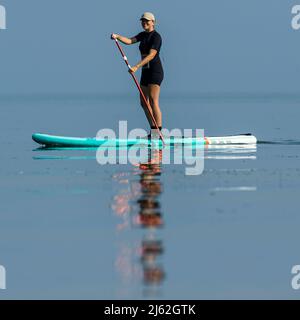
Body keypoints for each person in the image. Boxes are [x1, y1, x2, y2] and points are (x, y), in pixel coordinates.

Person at [111, 12, 164, 137]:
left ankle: (158, 131)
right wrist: (117, 36)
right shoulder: (142, 35)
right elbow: (129, 41)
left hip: (155, 71)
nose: (144, 23)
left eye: (146, 21)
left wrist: (136, 66)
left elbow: (151, 55)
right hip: (145, 71)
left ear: (153, 22)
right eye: (142, 21)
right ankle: (153, 130)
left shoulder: (156, 37)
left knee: (153, 101)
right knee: (143, 102)